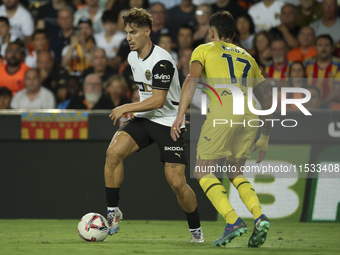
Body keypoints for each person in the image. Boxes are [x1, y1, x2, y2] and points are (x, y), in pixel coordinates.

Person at [171, 10, 271, 248]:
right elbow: (267, 100)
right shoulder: (248, 57)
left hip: (225, 113)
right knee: (235, 172)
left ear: (212, 32)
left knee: (202, 171)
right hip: (250, 116)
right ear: (234, 35)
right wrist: (265, 136)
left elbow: (191, 81)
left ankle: (232, 221)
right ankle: (259, 217)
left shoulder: (203, 49)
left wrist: (179, 115)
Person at [105, 7, 204, 242]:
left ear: (148, 32)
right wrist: (134, 110)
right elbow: (148, 96)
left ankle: (196, 230)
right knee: (113, 152)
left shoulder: (162, 61)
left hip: (169, 122)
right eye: (127, 32)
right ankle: (113, 212)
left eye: (134, 32)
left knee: (176, 182)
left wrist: (125, 107)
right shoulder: (131, 57)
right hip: (146, 118)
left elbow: (159, 100)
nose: (129, 37)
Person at [305, 34, 340, 108]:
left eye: (327, 45)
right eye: (320, 45)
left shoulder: (338, 64)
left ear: (332, 48)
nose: (323, 48)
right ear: (315, 48)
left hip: (331, 104)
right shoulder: (307, 64)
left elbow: (337, 90)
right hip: (309, 104)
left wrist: (322, 104)